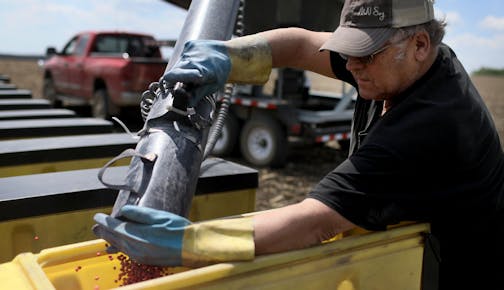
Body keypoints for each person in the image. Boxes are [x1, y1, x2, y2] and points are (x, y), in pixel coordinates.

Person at [93, 0, 504, 288]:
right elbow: (305, 44)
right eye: (350, 49)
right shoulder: (408, 61)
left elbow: (316, 222)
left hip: (449, 268)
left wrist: (190, 243)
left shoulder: (431, 124)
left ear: (419, 45)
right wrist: (231, 55)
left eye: (367, 54)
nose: (352, 65)